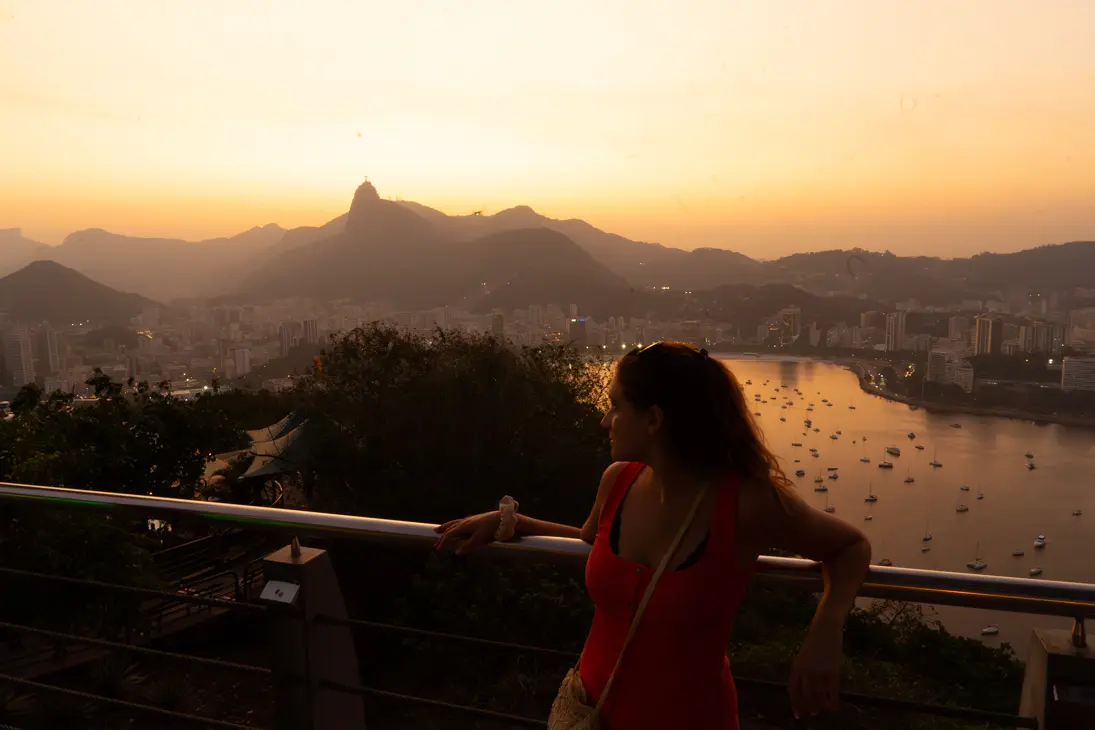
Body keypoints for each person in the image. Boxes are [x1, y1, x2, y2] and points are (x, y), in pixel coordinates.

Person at [434, 342, 871, 728]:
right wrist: (511, 522)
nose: (606, 421)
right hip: (588, 712)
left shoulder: (743, 502)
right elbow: (592, 540)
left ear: (653, 420)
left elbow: (849, 547)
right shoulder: (618, 481)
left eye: (616, 406)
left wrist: (825, 631)